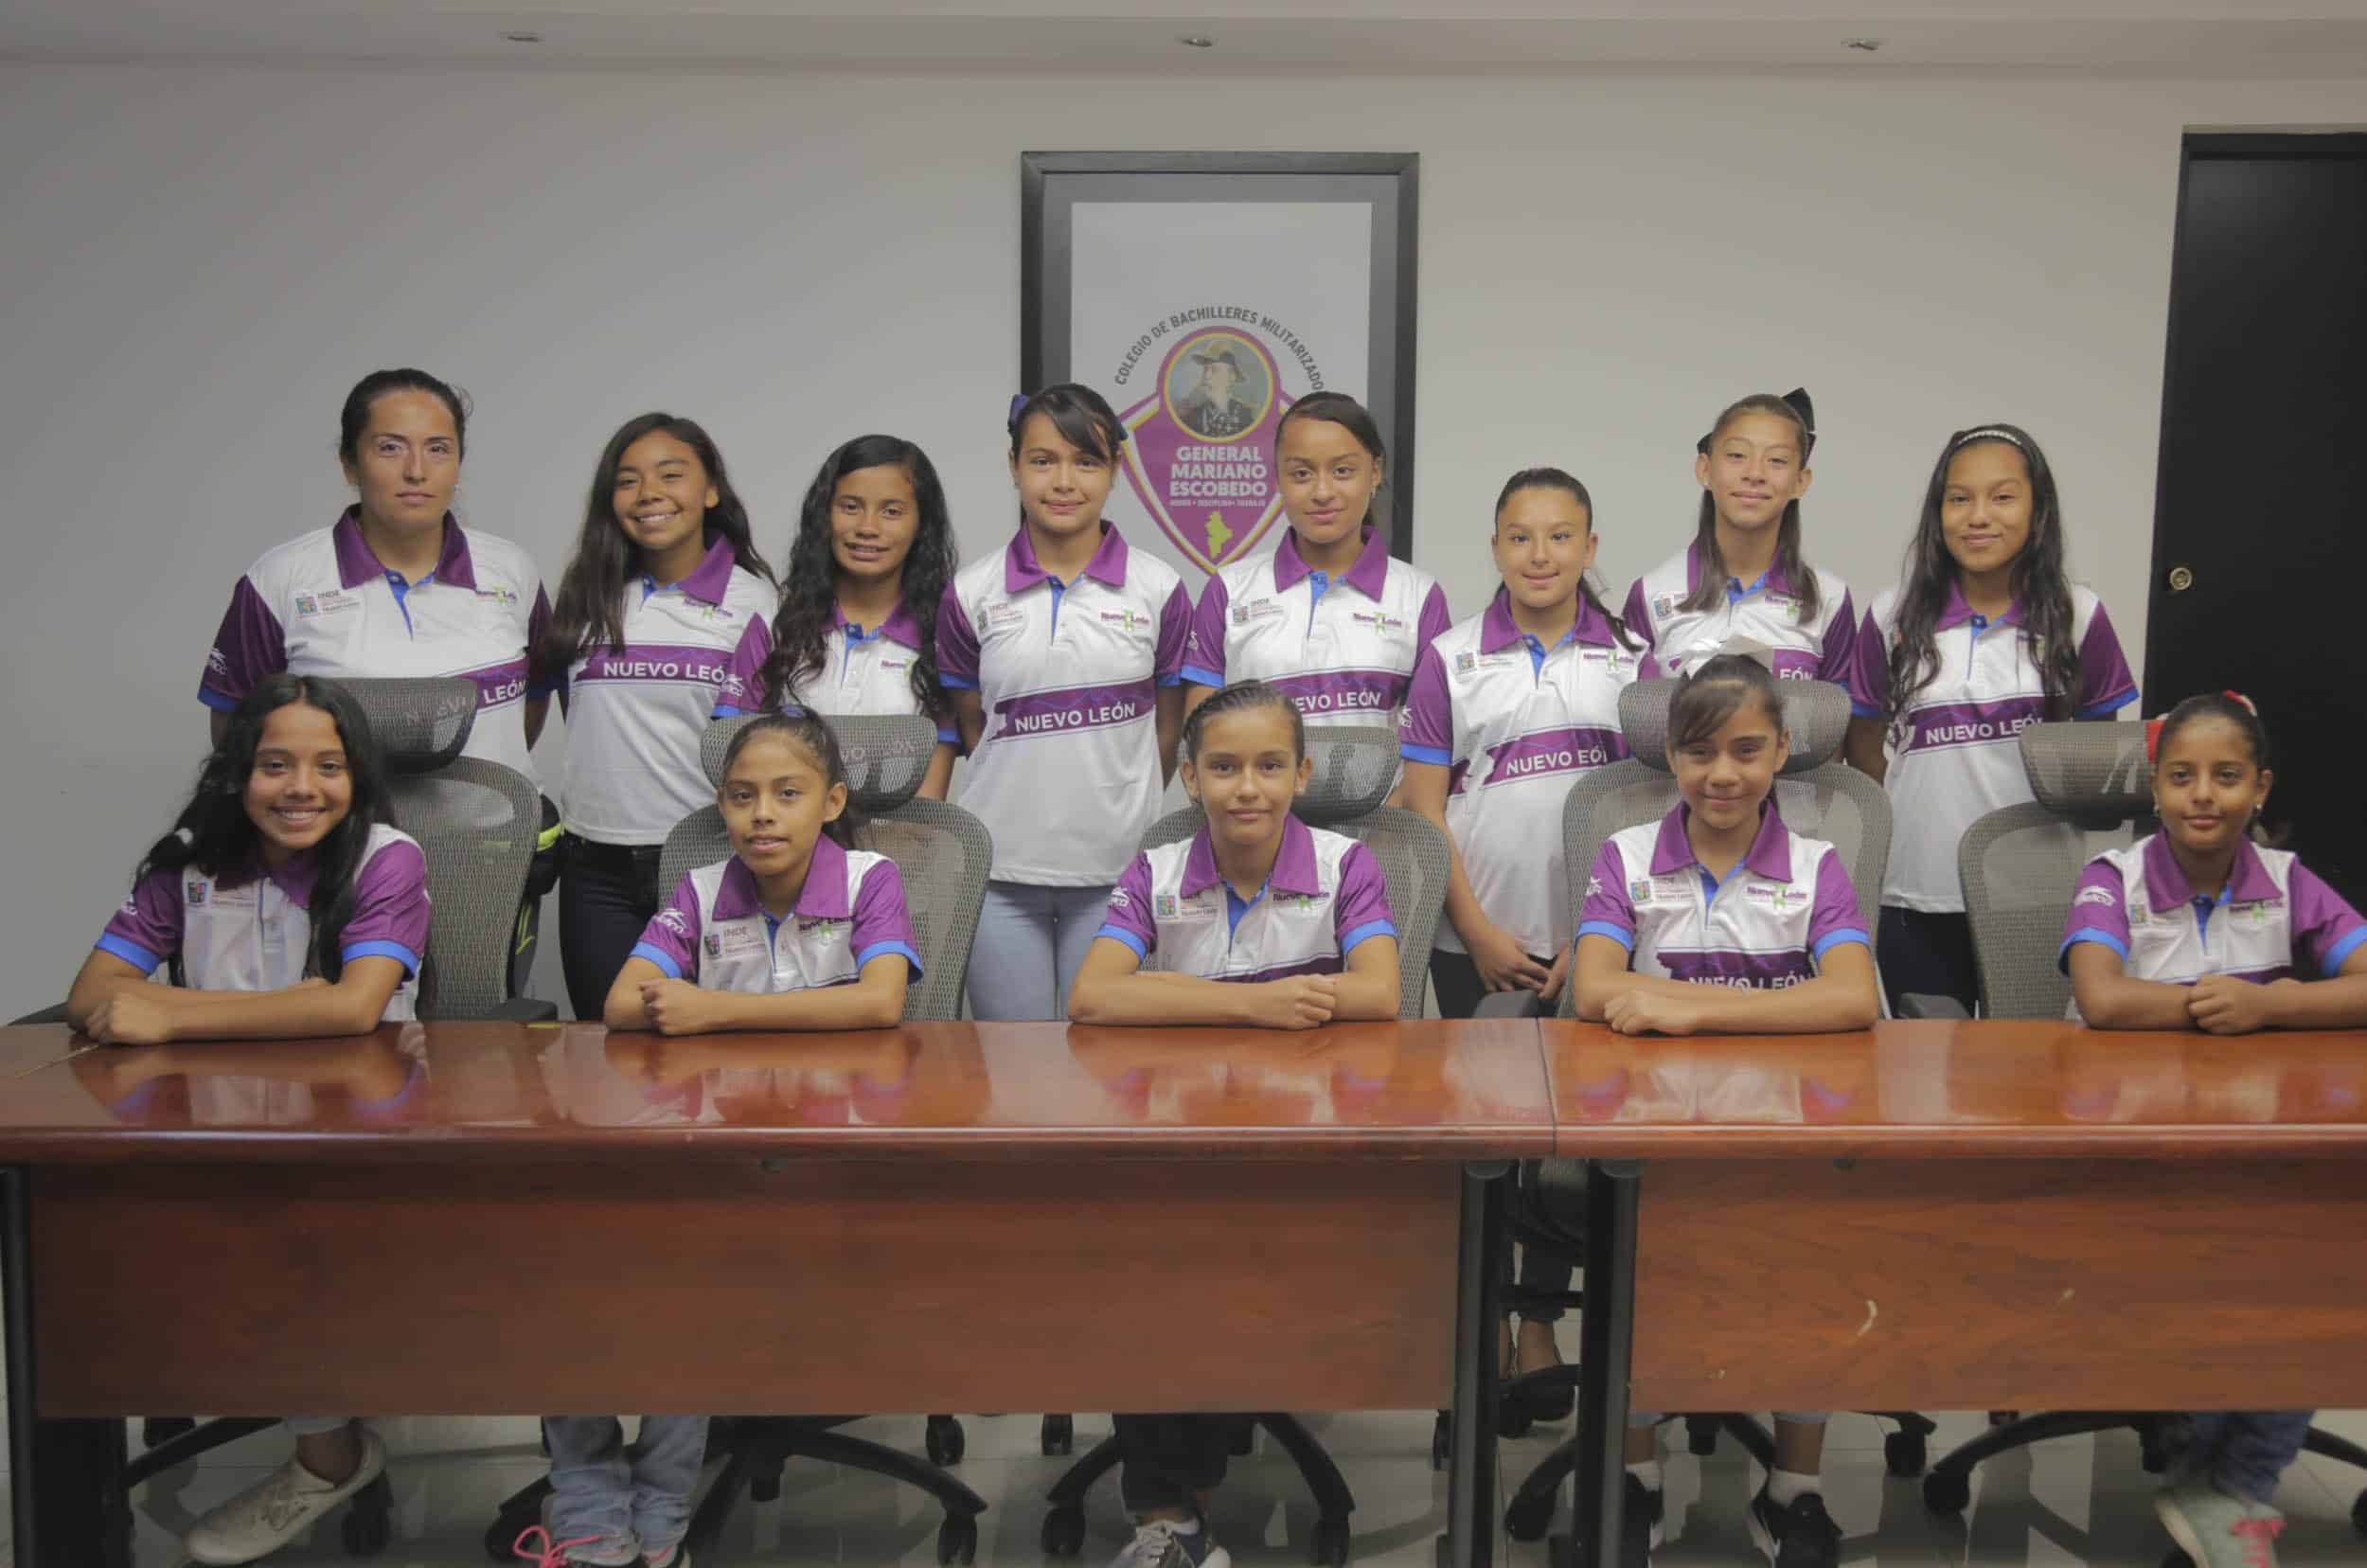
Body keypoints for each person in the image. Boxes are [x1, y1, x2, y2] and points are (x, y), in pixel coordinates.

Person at [67, 673, 429, 1566]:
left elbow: (352, 1007)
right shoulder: (191, 860)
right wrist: (281, 1007)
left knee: (286, 1240)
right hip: (209, 1120)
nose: (302, 788)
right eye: (276, 765)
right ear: (238, 774)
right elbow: (91, 994)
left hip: (351, 1128)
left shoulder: (387, 858)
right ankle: (91, 1455)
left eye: (328, 766)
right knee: (79, 1234)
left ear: (357, 777)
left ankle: (328, 1456)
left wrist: (170, 1012)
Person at [1067, 680, 1398, 1568]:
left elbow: (1377, 992)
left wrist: (1174, 998)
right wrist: (1255, 1005)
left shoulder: (1347, 865)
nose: (1246, 787)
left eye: (1269, 766)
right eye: (1223, 767)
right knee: (1152, 1270)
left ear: (1302, 774)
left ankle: (1180, 1501)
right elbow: (1094, 995)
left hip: (1310, 1138)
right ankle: (1167, 1514)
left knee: (1216, 1272)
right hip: (1180, 1135)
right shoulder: (1157, 868)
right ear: (1190, 778)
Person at [1571, 654, 1878, 1568]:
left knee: (1810, 1280)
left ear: (1781, 751)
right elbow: (1594, 988)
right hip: (1652, 1130)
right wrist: (1772, 1007)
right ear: (1671, 755)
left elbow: (1852, 997)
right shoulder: (1626, 855)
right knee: (1636, 1277)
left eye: (1747, 750)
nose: (1723, 774)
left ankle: (1794, 1489)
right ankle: (1637, 1475)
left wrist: (1691, 1008)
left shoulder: (1818, 866)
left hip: (1788, 1134)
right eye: (1700, 752)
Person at [2061, 691, 2364, 1568]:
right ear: (2155, 787)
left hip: (2259, 1144)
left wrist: (2272, 1005)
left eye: (2227, 777)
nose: (2203, 795)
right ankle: (2215, 1473)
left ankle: (2233, 1483)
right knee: (2215, 1282)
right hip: (2129, 1145)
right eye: (2182, 776)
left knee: (2313, 1284)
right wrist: (2221, 1006)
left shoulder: (2289, 879)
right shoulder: (2110, 877)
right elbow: (2103, 998)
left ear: (2259, 788)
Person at [1844, 422, 2138, 1015]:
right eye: (1960, 498)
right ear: (1939, 512)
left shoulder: (2079, 615)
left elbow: (2100, 763)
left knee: (2033, 1064)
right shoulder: (1891, 615)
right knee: (1923, 1062)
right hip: (1915, 892)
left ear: (2037, 509)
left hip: (2036, 893)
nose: (1979, 516)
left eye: (2003, 497)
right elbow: (1864, 742)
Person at [937, 384, 1190, 1020]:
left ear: (1115, 470)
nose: (1064, 482)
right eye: (1043, 460)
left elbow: (1168, 725)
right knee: (1014, 1063)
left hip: (1119, 873)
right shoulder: (970, 592)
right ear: (1014, 465)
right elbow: (973, 724)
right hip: (999, 872)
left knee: (1105, 1063)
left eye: (1086, 462)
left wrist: (1123, 798)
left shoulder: (1159, 588)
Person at [538, 413, 777, 1021]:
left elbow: (752, 742)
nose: (649, 494)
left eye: (672, 475)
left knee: (717, 1049)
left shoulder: (752, 601)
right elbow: (579, 717)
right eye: (628, 480)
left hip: (708, 859)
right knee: (607, 1041)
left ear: (711, 491)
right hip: (595, 869)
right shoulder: (586, 595)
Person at [198, 367, 553, 777]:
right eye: (390, 448)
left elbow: (533, 700)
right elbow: (236, 732)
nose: (416, 470)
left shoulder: (512, 569)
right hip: (347, 823)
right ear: (350, 465)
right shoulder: (279, 580)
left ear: (459, 462)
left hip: (493, 819)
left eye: (438, 449)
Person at [1400, 467, 1644, 1019]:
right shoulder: (1447, 659)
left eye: (1560, 536)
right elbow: (1422, 808)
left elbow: (1644, 819)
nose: (1539, 555)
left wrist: (1596, 936)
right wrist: (1476, 934)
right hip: (1473, 942)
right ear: (1495, 549)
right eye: (1519, 538)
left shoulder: (1633, 660)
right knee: (1480, 1075)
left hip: (1602, 937)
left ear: (1589, 548)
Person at [605, 713, 919, 1034]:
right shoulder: (700, 891)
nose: (762, 814)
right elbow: (621, 1005)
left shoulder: (869, 878)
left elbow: (882, 1001)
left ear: (832, 802)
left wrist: (716, 1009)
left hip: (842, 1066)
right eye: (743, 796)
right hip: (727, 1067)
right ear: (722, 805)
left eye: (788, 793)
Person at [1182, 391, 1450, 739]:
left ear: (1375, 472)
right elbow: (1199, 740)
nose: (1322, 492)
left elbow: (1432, 743)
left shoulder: (1418, 596)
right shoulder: (1230, 589)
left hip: (1384, 780)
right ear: (1278, 479)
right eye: (1302, 473)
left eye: (1342, 471)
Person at [754, 434, 963, 800]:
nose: (867, 527)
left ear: (921, 525)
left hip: (899, 836)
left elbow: (928, 803)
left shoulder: (943, 632)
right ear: (824, 514)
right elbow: (736, 757)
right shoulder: (775, 617)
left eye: (892, 511)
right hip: (783, 834)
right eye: (850, 507)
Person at [1621, 390, 1857, 684]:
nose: (1755, 473)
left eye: (1777, 460)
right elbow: (1634, 708)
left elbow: (1839, 711)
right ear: (1705, 469)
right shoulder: (1651, 594)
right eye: (1736, 456)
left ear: (1801, 481)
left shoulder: (1829, 598)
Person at [1174, 345, 1258, 438]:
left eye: (1214, 370)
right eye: (1206, 369)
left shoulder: (1246, 414)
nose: (1206, 376)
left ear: (1231, 377)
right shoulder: (1191, 415)